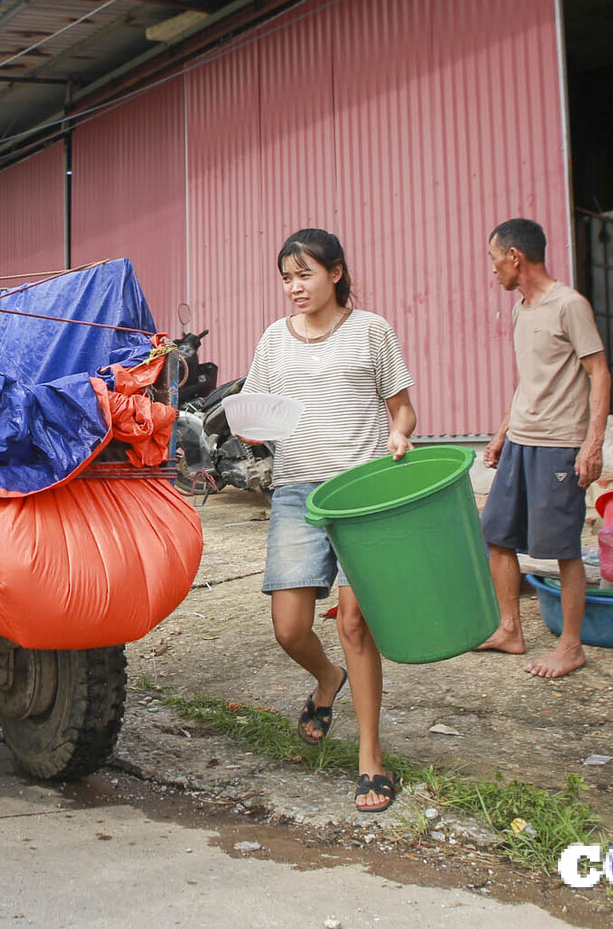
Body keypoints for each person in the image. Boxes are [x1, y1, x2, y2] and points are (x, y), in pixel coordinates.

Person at [241, 229, 416, 813]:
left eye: (305, 275)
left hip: (361, 492)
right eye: (287, 277)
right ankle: (326, 680)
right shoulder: (272, 340)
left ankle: (370, 760)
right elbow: (261, 416)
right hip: (296, 493)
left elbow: (402, 410)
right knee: (289, 627)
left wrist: (398, 434)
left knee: (356, 624)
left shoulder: (372, 331)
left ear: (335, 274)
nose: (295, 287)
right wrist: (252, 432)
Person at [477, 217, 610, 680]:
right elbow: (529, 381)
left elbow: (600, 373)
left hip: (559, 445)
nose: (493, 270)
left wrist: (593, 444)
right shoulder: (521, 309)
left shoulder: (568, 305)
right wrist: (501, 433)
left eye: (494, 259)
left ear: (515, 256)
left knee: (563, 549)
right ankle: (509, 628)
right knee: (495, 535)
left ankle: (570, 647)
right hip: (521, 441)